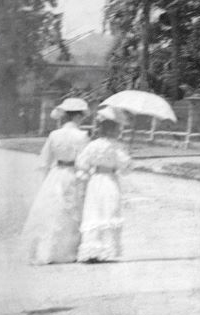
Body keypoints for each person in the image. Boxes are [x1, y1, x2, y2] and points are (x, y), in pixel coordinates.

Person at [23, 99, 91, 265]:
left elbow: (45, 161)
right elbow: (85, 161)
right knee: (71, 211)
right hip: (74, 174)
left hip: (56, 174)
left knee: (53, 209)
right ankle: (67, 251)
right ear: (78, 116)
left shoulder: (54, 135)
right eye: (81, 116)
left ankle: (47, 249)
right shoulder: (82, 136)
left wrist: (45, 180)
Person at [76, 110, 134, 264]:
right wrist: (129, 158)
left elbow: (82, 164)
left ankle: (92, 249)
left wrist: (88, 171)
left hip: (95, 181)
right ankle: (106, 249)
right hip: (109, 180)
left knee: (94, 212)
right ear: (114, 129)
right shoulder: (117, 146)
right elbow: (126, 168)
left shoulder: (92, 145)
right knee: (108, 211)